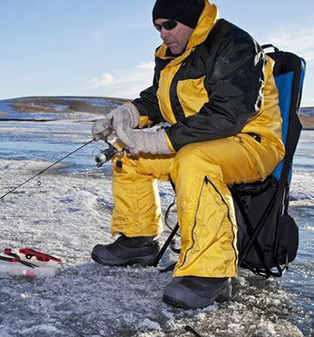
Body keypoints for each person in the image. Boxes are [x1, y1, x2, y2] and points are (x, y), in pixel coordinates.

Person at [91, 0, 285, 309]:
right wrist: (125, 116)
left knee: (194, 160)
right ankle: (138, 239)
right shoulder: (170, 56)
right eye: (158, 27)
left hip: (251, 143)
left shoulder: (234, 44)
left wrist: (162, 140)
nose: (163, 34)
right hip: (196, 141)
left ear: (193, 19)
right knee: (127, 154)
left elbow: (228, 115)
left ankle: (211, 275)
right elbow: (157, 99)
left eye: (170, 25)